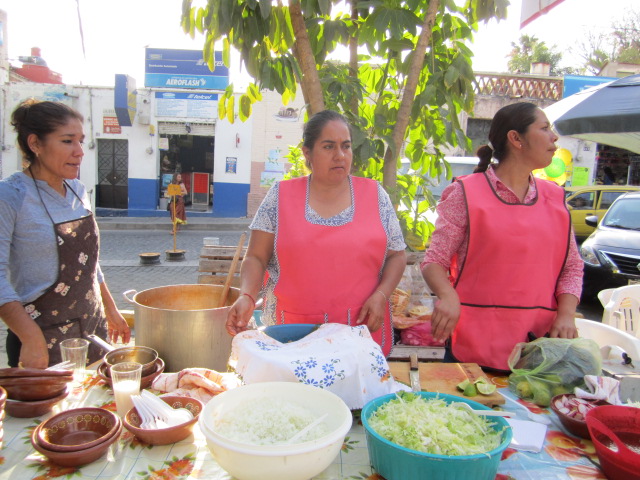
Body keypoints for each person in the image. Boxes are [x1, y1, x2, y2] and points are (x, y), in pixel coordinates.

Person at [225, 110, 407, 356]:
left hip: (361, 332)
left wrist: (381, 295)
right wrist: (246, 295)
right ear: (307, 153)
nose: (340, 156)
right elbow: (256, 257)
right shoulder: (280, 197)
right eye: (328, 147)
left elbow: (396, 255)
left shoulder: (376, 196)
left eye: (346, 146)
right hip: (294, 333)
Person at [421, 102, 583, 372]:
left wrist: (566, 314)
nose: (554, 137)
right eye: (544, 128)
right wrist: (448, 296)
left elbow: (572, 266)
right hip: (473, 344)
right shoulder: (465, 193)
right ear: (516, 138)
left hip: (538, 346)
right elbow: (434, 261)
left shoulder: (555, 198)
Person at [0, 99, 131, 368]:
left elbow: (90, 264)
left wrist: (111, 309)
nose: (80, 151)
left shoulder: (78, 191)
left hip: (93, 333)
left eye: (81, 141)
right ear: (35, 144)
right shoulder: (11, 196)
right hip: (40, 344)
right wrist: (31, 339)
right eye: (68, 141)